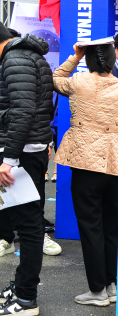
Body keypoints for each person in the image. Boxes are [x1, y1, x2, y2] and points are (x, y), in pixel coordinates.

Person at [52, 42, 118, 306]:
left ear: (89, 60)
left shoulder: (78, 81)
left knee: (90, 227)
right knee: (111, 225)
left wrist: (75, 56)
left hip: (84, 162)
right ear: (113, 62)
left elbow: (55, 78)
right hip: (116, 162)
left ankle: (97, 291)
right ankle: (112, 285)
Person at [0, 23, 54, 315]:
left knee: (29, 226)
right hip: (30, 150)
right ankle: (21, 289)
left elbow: (23, 110)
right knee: (28, 223)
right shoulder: (30, 56)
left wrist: (8, 159)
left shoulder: (14, 59)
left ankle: (25, 299)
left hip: (21, 154)